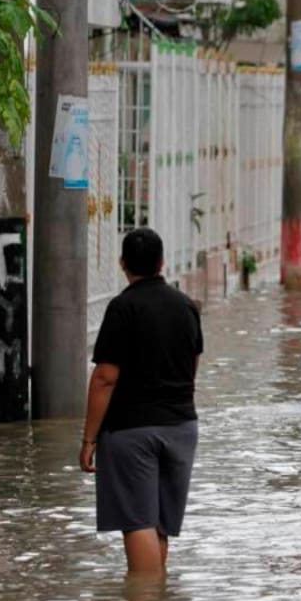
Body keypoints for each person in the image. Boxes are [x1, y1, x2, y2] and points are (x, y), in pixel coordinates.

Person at [80, 228, 204, 577]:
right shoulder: (185, 306)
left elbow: (105, 376)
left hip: (131, 430)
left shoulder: (123, 308)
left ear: (123, 264)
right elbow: (192, 364)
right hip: (181, 428)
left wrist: (88, 439)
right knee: (160, 523)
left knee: (137, 521)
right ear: (162, 262)